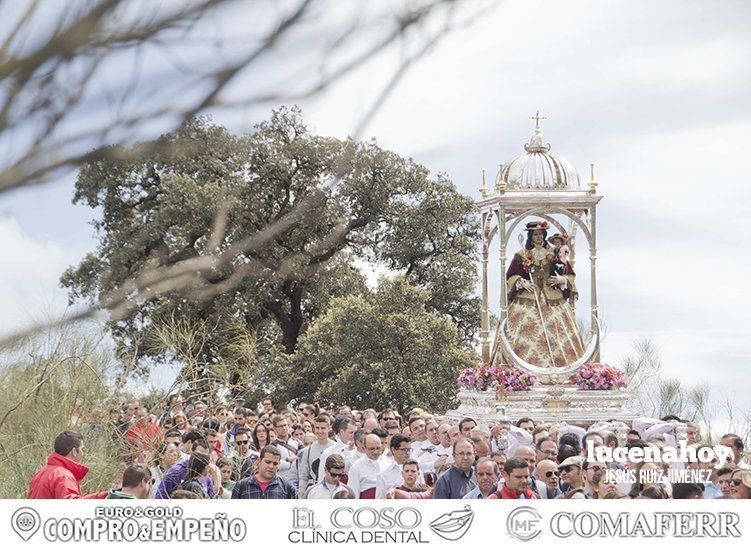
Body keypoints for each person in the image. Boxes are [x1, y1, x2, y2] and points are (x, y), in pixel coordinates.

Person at [504, 220, 584, 368]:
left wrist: (562, 279)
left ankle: (561, 367)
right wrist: (521, 282)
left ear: (544, 235)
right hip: (528, 297)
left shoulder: (555, 253)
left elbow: (569, 274)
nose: (538, 237)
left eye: (541, 234)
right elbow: (510, 276)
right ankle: (519, 369)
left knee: (558, 333)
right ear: (531, 236)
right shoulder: (522, 254)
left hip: (552, 297)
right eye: (535, 234)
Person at [29, 430, 108, 499]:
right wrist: (106, 497)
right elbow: (73, 507)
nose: (83, 453)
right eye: (81, 449)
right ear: (74, 451)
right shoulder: (63, 476)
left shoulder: (41, 472)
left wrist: (103, 496)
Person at [231, 445, 296, 499]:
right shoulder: (242, 486)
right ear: (259, 461)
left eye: (275, 463)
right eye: (267, 462)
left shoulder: (286, 487)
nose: (271, 466)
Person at [297, 415, 335, 497]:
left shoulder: (336, 447)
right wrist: (301, 493)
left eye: (323, 428)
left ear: (329, 428)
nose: (320, 431)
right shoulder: (308, 450)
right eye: (317, 428)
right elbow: (304, 475)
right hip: (313, 491)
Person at [348, 434, 388, 499]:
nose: (375, 452)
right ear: (364, 448)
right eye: (372, 449)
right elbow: (353, 494)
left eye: (378, 448)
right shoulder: (356, 467)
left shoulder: (388, 463)